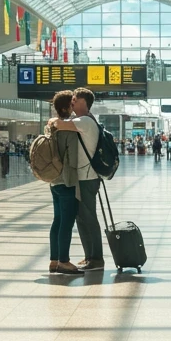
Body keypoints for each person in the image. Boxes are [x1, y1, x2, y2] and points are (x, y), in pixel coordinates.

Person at [66, 88, 105, 270]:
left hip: (87, 178)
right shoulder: (84, 120)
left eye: (74, 100)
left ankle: (96, 258)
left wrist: (57, 117)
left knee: (88, 217)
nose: (72, 103)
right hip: (83, 176)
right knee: (81, 218)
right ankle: (90, 256)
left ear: (83, 102)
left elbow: (57, 125)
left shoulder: (85, 121)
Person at [46, 91, 83, 275]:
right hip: (67, 181)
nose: (73, 108)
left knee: (57, 221)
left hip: (53, 180)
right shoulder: (69, 129)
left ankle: (54, 260)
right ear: (65, 108)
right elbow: (73, 159)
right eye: (72, 104)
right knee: (67, 222)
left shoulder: (51, 126)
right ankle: (64, 261)